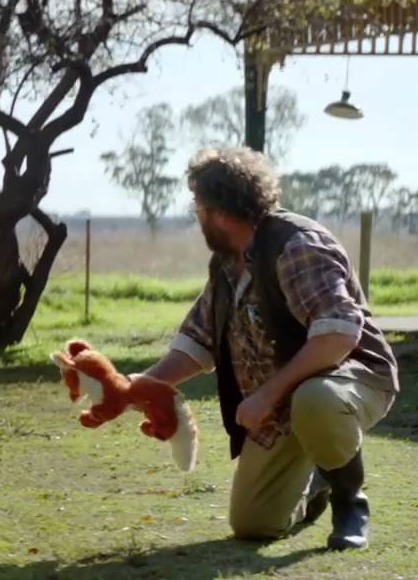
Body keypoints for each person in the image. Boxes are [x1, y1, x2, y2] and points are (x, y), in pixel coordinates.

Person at [140, 147, 399, 550]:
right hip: (284, 403)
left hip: (351, 381)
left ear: (222, 214)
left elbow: (339, 336)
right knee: (253, 525)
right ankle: (315, 482)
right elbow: (198, 341)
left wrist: (266, 394)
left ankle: (350, 501)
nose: (197, 217)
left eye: (199, 208)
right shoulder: (228, 262)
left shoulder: (298, 247)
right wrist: (135, 387)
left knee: (315, 399)